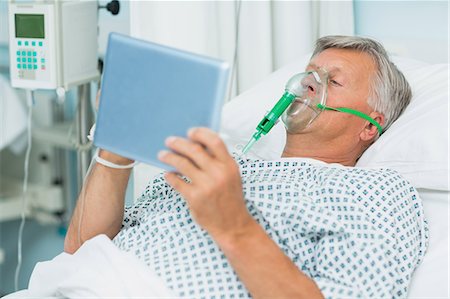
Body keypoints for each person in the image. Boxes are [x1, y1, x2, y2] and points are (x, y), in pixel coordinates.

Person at [65, 36, 428, 298]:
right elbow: (80, 251)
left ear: (369, 124)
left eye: (332, 81)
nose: (307, 85)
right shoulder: (219, 165)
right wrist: (116, 146)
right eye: (308, 75)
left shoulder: (374, 193)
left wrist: (233, 224)